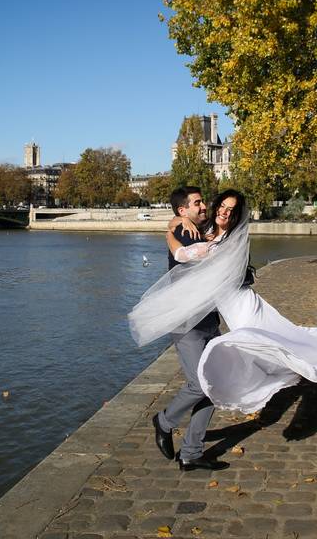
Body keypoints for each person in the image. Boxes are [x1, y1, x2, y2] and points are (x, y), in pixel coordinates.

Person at [129, 189, 317, 417]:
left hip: (242, 306)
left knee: (291, 343)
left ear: (236, 214)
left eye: (230, 209)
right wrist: (175, 233)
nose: (224, 212)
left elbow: (201, 258)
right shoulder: (200, 227)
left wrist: (183, 239)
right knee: (274, 348)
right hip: (229, 310)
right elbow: (177, 236)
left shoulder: (232, 239)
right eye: (221, 206)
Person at [144, 186, 229, 472]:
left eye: (203, 201)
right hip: (188, 324)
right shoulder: (184, 231)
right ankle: (164, 421)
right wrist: (171, 228)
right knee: (198, 383)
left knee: (211, 386)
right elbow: (184, 254)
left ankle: (192, 453)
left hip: (208, 320)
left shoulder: (199, 226)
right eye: (197, 203)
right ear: (183, 211)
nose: (203, 205)